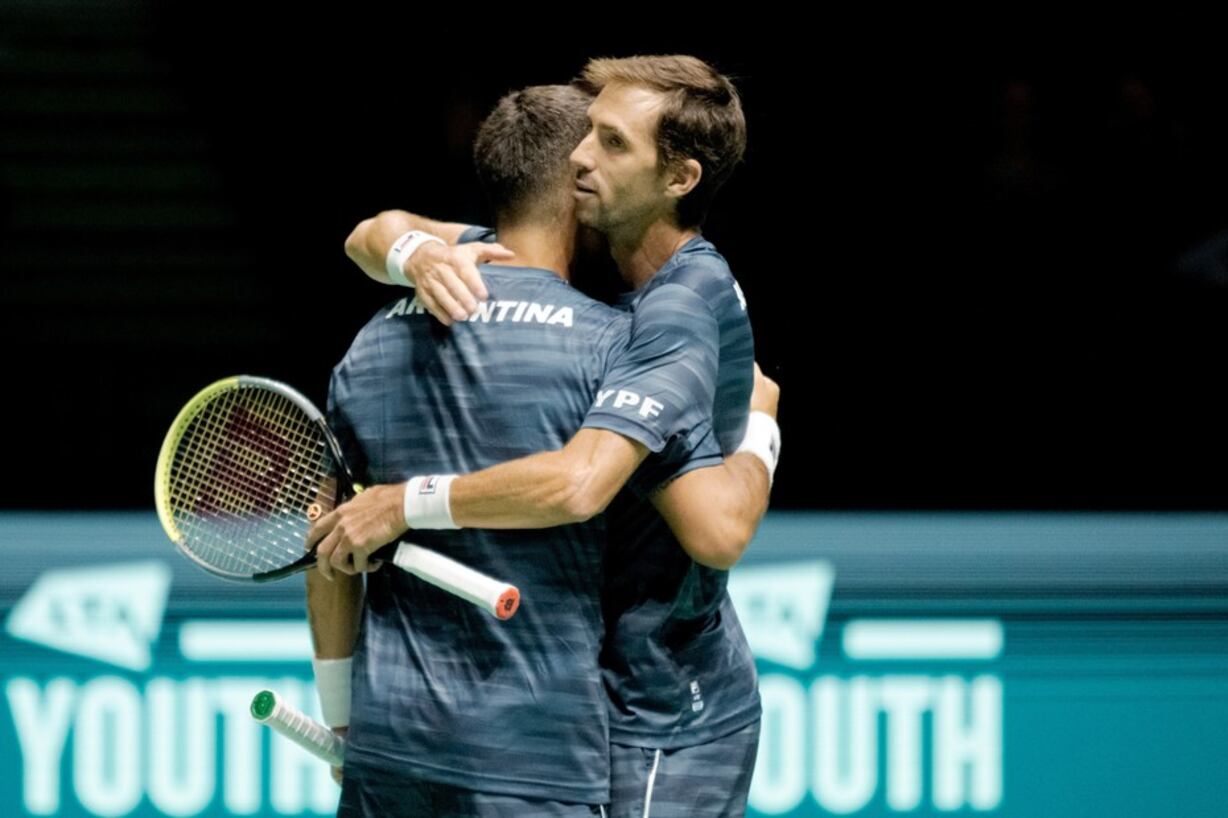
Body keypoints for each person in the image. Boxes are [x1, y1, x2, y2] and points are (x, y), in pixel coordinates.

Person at [308, 79, 778, 817]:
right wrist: (761, 424)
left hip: (399, 742)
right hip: (548, 746)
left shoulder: (370, 344)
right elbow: (707, 525)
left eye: (611, 143)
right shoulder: (610, 341)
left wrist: (342, 716)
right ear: (571, 187)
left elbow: (327, 547)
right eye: (588, 141)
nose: (590, 157)